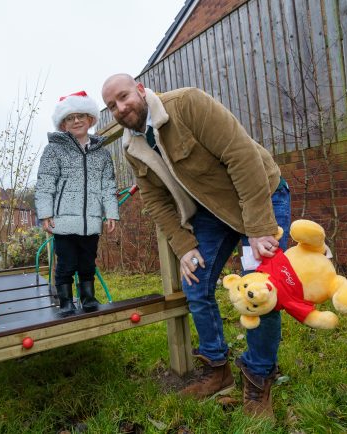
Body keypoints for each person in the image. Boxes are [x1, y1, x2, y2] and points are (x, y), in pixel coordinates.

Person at [102, 74, 291, 419]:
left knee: (260, 292)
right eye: (112, 105)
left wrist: (260, 227)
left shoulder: (188, 104)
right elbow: (155, 201)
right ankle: (217, 369)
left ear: (141, 91)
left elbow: (242, 156)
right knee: (195, 282)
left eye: (124, 96)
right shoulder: (132, 148)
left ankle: (259, 375)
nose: (120, 107)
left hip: (260, 193)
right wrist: (184, 245)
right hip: (210, 211)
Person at [35, 91, 119, 316]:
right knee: (66, 263)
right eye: (70, 118)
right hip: (63, 221)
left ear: (91, 119)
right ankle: (65, 302)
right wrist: (45, 214)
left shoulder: (101, 153)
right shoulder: (54, 150)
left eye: (81, 116)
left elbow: (108, 186)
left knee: (87, 263)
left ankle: (88, 298)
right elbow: (45, 184)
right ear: (63, 124)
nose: (76, 121)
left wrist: (111, 212)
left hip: (91, 221)